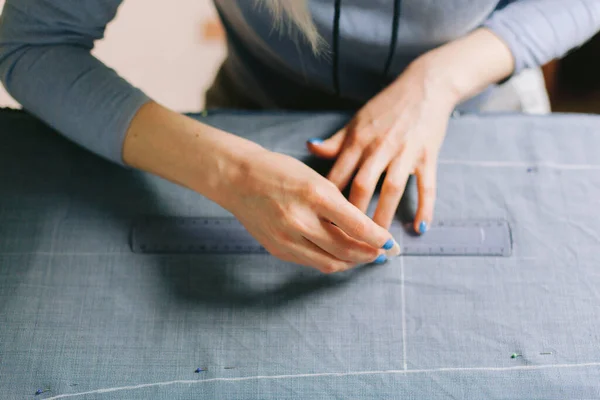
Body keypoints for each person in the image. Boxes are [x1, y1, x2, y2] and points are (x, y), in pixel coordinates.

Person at [0, 1, 598, 274]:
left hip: (487, 114)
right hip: (251, 116)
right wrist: (229, 173)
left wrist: (439, 80)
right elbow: (33, 45)